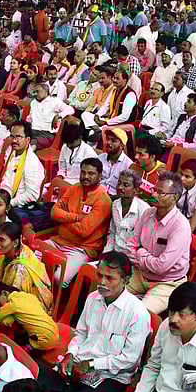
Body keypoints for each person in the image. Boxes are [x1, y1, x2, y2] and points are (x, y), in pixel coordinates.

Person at [40, 252, 151, 392]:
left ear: (125, 280)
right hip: (81, 361)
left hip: (112, 375)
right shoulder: (92, 298)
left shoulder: (138, 313)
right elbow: (81, 333)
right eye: (99, 275)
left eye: (110, 278)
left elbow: (130, 360)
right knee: (42, 387)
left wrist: (91, 364)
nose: (102, 282)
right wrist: (70, 354)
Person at [125, 172, 192, 314]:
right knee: (109, 293)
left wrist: (140, 252)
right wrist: (142, 258)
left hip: (167, 282)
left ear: (174, 197)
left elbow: (161, 266)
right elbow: (130, 245)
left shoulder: (180, 226)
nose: (154, 195)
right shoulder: (148, 213)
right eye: (154, 190)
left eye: (161, 193)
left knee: (140, 314)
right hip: (139, 274)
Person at [49, 157, 113, 286]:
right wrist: (77, 218)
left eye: (91, 173)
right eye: (83, 172)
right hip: (58, 241)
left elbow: (84, 230)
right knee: (29, 259)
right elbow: (54, 213)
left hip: (81, 249)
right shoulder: (74, 188)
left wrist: (63, 218)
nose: (86, 176)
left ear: (100, 176)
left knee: (58, 278)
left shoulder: (103, 200)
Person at [0, 221, 54, 314]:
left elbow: (10, 301)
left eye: (1, 240)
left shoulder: (21, 268)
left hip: (25, 305)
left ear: (15, 242)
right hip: (4, 294)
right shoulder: (2, 254)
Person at [0, 121, 45, 208]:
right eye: (12, 136)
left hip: (17, 206)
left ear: (28, 140)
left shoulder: (32, 163)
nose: (14, 140)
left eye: (18, 137)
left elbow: (32, 195)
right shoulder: (11, 152)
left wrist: (9, 204)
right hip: (3, 198)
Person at [105, 169, 150, 255]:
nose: (120, 187)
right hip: (115, 253)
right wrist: (106, 254)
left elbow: (146, 242)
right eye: (119, 183)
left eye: (125, 185)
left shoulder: (144, 210)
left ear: (136, 190)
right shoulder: (115, 205)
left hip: (133, 257)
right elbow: (112, 233)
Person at [55, 117, 97, 185]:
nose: (68, 146)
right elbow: (62, 169)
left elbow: (89, 178)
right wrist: (59, 177)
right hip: (65, 181)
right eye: (67, 143)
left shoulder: (89, 153)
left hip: (79, 184)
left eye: (71, 143)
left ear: (80, 138)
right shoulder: (65, 147)